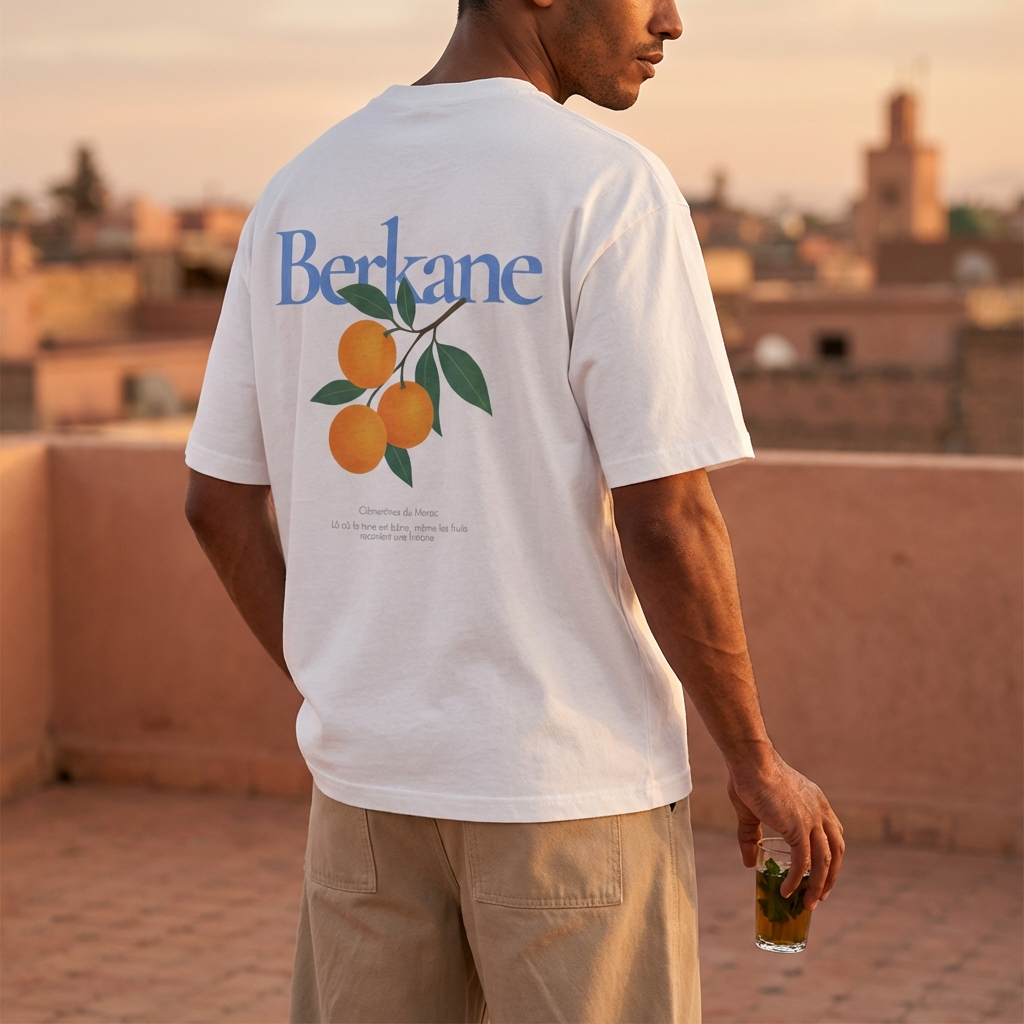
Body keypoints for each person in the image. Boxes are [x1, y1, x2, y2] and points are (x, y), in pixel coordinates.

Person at [184, 0, 845, 1021]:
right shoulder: (606, 188)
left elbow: (217, 503)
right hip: (566, 796)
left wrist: (355, 687)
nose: (672, 21)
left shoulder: (298, 192)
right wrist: (755, 759)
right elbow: (667, 514)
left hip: (365, 798)